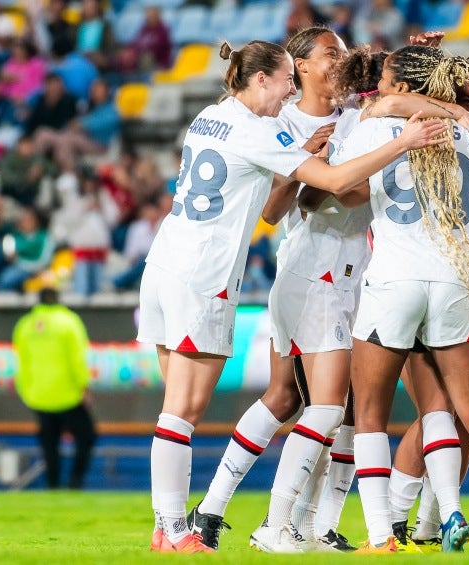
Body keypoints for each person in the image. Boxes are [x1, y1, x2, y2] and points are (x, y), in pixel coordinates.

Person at [138, 38, 446, 554]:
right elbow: (318, 190)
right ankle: (192, 527)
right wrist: (397, 145)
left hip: (170, 261)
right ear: (279, 74)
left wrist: (416, 61)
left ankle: (223, 520)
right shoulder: (267, 127)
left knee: (306, 402)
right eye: (284, 80)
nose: (285, 92)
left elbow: (381, 97)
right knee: (194, 408)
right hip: (230, 272)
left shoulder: (213, 116)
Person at [332, 44, 469, 555]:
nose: (378, 87)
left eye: (385, 79)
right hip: (456, 282)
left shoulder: (375, 126)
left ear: (402, 85)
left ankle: (383, 535)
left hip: (393, 280)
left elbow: (344, 190)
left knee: (372, 414)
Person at [12, 286, 97, 489]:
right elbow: (77, 358)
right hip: (68, 394)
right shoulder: (69, 322)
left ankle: (53, 485)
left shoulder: (25, 325)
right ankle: (75, 481)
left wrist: (26, 390)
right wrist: (83, 386)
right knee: (86, 437)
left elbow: (21, 361)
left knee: (49, 443)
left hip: (38, 394)